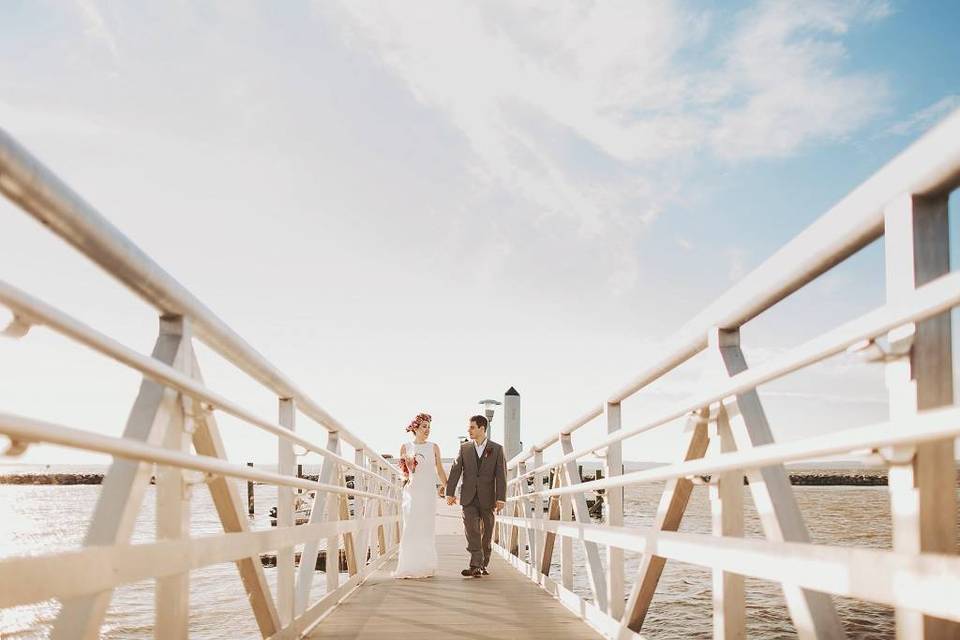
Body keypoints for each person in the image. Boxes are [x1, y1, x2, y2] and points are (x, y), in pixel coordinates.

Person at [445, 415, 506, 577]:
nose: (469, 430)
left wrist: (501, 498)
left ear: (482, 428)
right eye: (469, 427)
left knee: (486, 534)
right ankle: (475, 564)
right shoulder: (464, 448)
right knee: (471, 530)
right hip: (468, 497)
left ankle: (483, 564)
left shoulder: (497, 449)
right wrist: (450, 493)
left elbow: (501, 475)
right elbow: (456, 470)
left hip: (488, 498)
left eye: (472, 427)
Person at [392, 412, 448, 578]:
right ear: (415, 428)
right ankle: (408, 565)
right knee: (411, 527)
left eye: (429, 427)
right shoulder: (405, 447)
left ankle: (425, 565)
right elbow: (404, 475)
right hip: (412, 492)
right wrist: (409, 471)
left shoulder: (434, 447)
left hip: (428, 493)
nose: (427, 430)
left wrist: (448, 489)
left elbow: (439, 469)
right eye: (424, 426)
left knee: (426, 527)